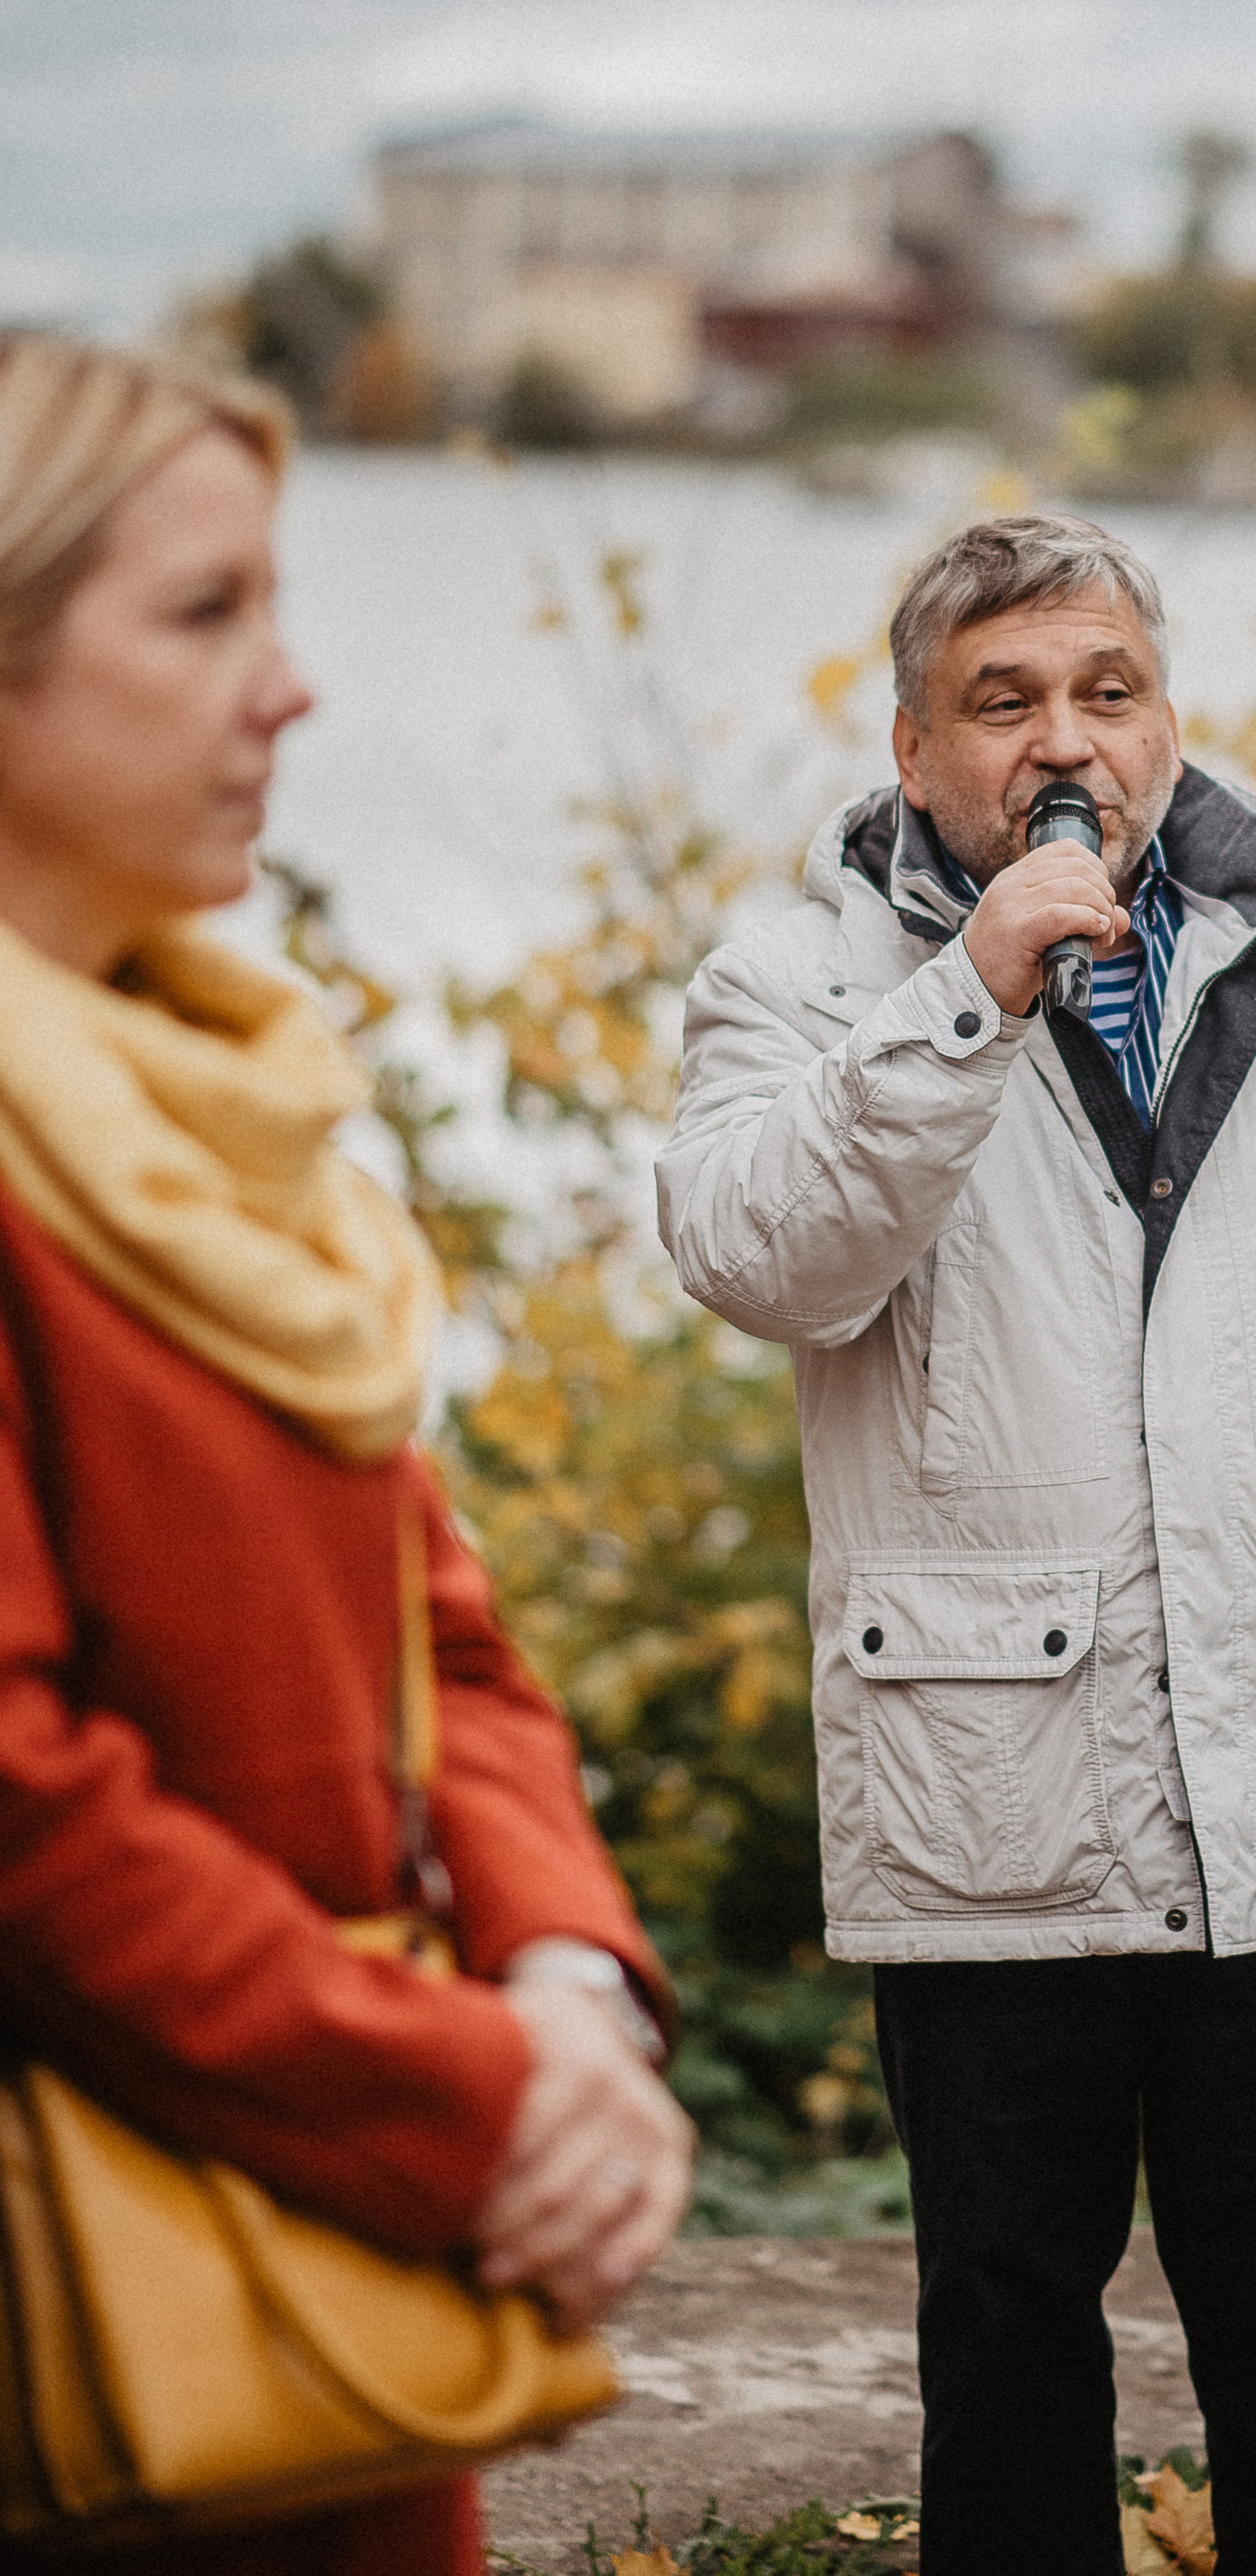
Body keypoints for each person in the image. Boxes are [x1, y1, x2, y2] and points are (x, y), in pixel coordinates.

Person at [659, 512, 1256, 2576]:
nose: (1060, 740)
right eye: (1001, 703)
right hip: (989, 1797)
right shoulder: (798, 981)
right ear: (914, 751)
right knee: (1003, 2339)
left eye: (1103, 691)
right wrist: (970, 997)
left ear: (1164, 724)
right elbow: (758, 1256)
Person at [0, 335, 694, 2576]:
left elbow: (444, 1645)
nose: (288, 690)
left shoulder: (234, 1123)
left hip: (340, 2290)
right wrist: (468, 2114)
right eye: (203, 618)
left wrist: (562, 1993)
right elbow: (18, 1803)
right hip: (95, 2297)